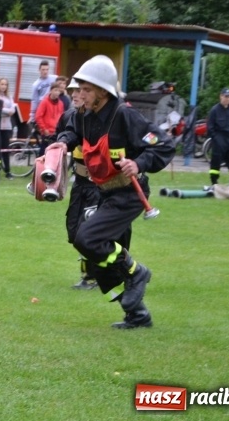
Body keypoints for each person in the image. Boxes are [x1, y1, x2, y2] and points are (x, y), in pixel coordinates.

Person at [51, 55, 175, 329]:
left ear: (103, 92)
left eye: (86, 89)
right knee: (97, 260)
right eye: (79, 88)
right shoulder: (84, 115)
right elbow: (71, 132)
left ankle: (136, 272)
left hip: (129, 194)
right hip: (104, 191)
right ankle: (137, 315)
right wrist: (61, 143)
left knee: (88, 239)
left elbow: (164, 145)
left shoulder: (126, 116)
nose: (79, 94)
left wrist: (138, 162)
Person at [57, 79, 101, 290]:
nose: (75, 94)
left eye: (79, 91)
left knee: (88, 231)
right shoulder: (69, 117)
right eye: (72, 90)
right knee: (74, 231)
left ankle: (92, 276)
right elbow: (62, 143)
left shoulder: (103, 118)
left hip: (98, 185)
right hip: (80, 182)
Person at [207, 87, 229, 186]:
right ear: (221, 96)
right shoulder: (214, 110)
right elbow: (210, 127)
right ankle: (214, 182)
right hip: (219, 139)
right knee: (216, 162)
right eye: (226, 96)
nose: (227, 98)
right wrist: (216, 139)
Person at [35, 83, 65, 156]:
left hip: (56, 132)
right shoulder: (45, 102)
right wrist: (44, 129)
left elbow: (62, 117)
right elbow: (38, 116)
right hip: (47, 132)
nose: (57, 92)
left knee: (54, 154)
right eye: (55, 90)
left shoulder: (61, 103)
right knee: (43, 153)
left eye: (58, 91)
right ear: (51, 91)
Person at [0, 77, 17, 179]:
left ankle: (8, 171)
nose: (3, 86)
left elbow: (13, 109)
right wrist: (6, 111)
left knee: (6, 149)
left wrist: (8, 111)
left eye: (5, 84)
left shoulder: (9, 97)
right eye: (2, 84)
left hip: (7, 127)